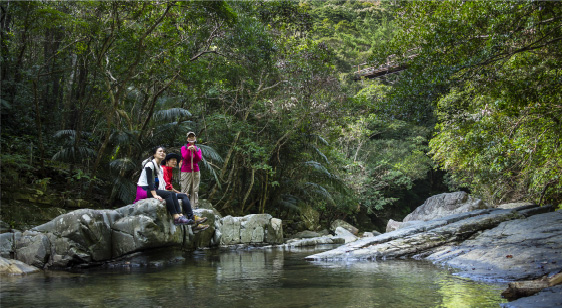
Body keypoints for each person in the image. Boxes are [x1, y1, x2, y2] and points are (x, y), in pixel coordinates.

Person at [134, 146, 194, 226]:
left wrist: (160, 192)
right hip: (143, 190)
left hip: (151, 189)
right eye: (160, 151)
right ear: (154, 154)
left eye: (164, 152)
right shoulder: (150, 164)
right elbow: (149, 181)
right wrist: (155, 195)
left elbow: (159, 183)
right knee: (168, 194)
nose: (162, 153)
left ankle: (180, 216)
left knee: (172, 194)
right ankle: (176, 218)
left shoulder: (160, 168)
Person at [162, 153, 209, 231]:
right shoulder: (163, 169)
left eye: (176, 160)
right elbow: (163, 187)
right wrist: (180, 194)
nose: (175, 162)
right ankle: (193, 218)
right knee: (183, 196)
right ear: (167, 161)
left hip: (169, 193)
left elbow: (170, 187)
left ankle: (194, 221)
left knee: (183, 195)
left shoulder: (169, 170)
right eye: (173, 160)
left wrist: (179, 193)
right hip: (165, 193)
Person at [180, 131, 202, 208]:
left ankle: (194, 205)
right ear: (187, 138)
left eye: (193, 136)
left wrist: (195, 151)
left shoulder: (198, 149)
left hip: (196, 170)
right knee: (185, 188)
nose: (191, 138)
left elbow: (199, 158)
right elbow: (185, 157)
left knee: (195, 189)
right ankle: (184, 206)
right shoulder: (184, 148)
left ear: (195, 138)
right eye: (190, 137)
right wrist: (189, 149)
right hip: (186, 170)